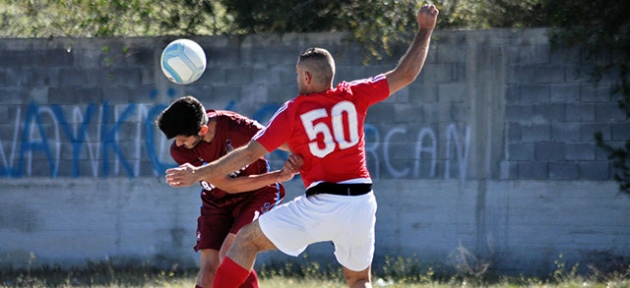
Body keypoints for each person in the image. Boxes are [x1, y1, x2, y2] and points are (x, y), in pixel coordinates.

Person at [165, 4, 439, 288]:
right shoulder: (356, 94)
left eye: (297, 75)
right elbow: (405, 73)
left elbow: (248, 153)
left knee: (246, 240)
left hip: (322, 203)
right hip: (361, 202)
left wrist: (199, 174)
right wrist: (425, 30)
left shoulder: (292, 111)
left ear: (306, 77)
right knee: (359, 279)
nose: (296, 80)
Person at [154, 95, 302, 288]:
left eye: (183, 139)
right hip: (217, 202)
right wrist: (278, 175)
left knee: (230, 253)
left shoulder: (239, 128)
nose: (178, 145)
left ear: (203, 129)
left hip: (257, 193)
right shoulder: (181, 151)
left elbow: (283, 142)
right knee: (208, 270)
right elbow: (227, 185)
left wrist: (296, 160)